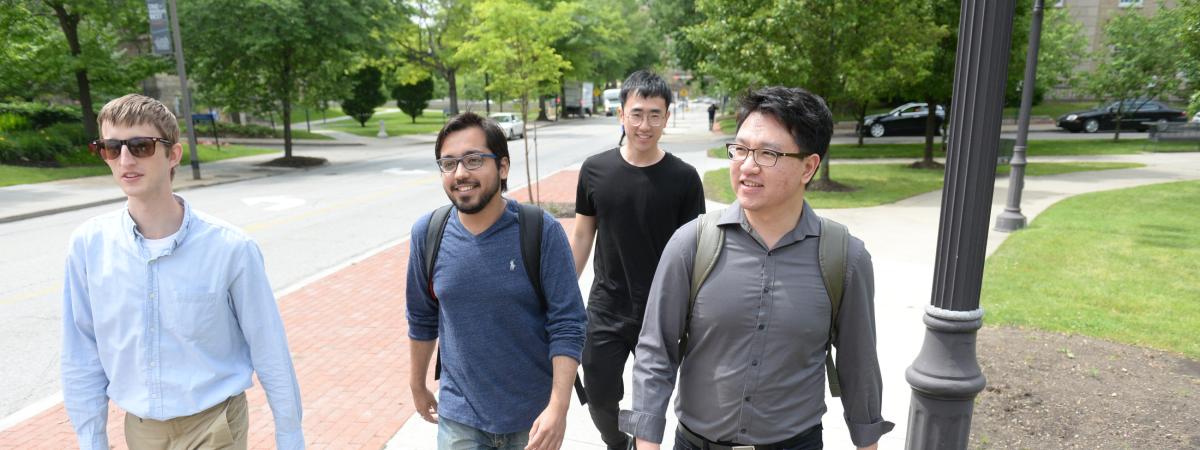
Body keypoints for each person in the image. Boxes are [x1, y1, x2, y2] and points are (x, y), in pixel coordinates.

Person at [619, 87, 894, 450]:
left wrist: (867, 443)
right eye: (741, 149)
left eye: (768, 153)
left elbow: (859, 366)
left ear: (808, 167)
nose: (747, 166)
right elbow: (656, 352)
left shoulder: (845, 258)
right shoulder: (691, 244)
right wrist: (646, 442)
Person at [61, 94, 304, 450]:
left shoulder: (230, 248)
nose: (125, 159)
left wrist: (290, 438)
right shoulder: (87, 246)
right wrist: (92, 441)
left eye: (141, 146)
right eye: (112, 148)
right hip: (141, 430)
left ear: (173, 155)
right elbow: (80, 353)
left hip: (215, 423)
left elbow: (269, 349)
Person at [407, 112, 587, 450]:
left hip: (532, 420)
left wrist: (558, 408)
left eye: (474, 160)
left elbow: (568, 324)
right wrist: (417, 384)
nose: (460, 173)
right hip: (459, 417)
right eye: (448, 163)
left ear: (502, 167)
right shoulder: (427, 234)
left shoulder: (540, 231)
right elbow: (422, 317)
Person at [572, 70, 705, 450]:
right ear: (621, 114)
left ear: (666, 116)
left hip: (663, 309)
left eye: (654, 114)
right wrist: (562, 292)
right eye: (637, 113)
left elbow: (695, 250)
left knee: (659, 399)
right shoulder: (595, 170)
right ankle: (620, 443)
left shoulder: (684, 178)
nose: (644, 124)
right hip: (607, 306)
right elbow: (583, 235)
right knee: (598, 392)